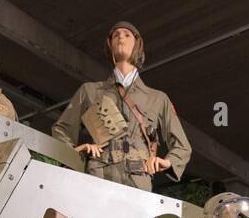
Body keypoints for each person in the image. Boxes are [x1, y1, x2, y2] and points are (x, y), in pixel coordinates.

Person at [51, 21, 191, 191]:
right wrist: (74, 152)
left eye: (126, 34)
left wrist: (167, 161)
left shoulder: (158, 98)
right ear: (110, 45)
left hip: (139, 178)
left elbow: (182, 146)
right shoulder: (90, 90)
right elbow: (61, 129)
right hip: (99, 176)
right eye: (116, 36)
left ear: (137, 43)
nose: (120, 38)